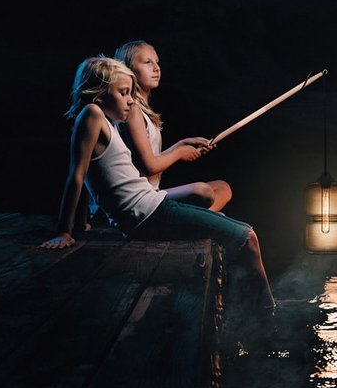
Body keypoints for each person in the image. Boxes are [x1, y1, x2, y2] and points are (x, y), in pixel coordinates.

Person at [40, 55, 276, 309]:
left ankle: (252, 305)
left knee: (229, 221)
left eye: (130, 92)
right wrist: (64, 231)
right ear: (98, 95)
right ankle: (269, 311)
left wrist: (81, 223)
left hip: (153, 209)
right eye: (122, 93)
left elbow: (88, 175)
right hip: (151, 214)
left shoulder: (102, 122)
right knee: (247, 237)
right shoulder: (92, 113)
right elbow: (76, 175)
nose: (130, 100)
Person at [113, 39, 233, 211]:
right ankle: (201, 223)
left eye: (157, 62)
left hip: (152, 192)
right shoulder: (131, 111)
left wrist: (180, 145)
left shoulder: (142, 111)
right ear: (129, 69)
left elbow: (147, 160)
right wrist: (179, 153)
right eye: (147, 62)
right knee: (203, 191)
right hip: (141, 198)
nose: (156, 68)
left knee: (223, 188)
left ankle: (199, 221)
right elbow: (150, 167)